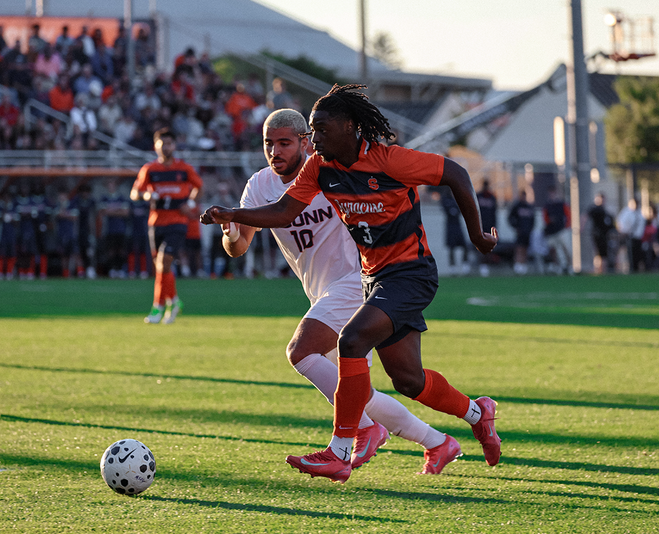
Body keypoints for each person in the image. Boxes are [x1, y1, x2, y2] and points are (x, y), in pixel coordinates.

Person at [201, 84, 501, 484]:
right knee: (408, 380)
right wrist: (231, 215)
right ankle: (477, 414)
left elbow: (456, 174)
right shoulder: (319, 169)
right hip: (372, 280)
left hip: (408, 273)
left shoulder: (389, 160)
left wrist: (478, 234)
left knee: (346, 344)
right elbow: (285, 211)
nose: (316, 140)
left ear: (348, 127)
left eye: (320, 131)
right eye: (312, 131)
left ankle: (342, 450)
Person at [131, 128, 202, 324]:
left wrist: (190, 204)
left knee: (164, 262)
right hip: (156, 222)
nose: (166, 147)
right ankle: (174, 301)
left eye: (169, 143)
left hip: (177, 222)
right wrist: (145, 195)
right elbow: (135, 192)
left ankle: (157, 307)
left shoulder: (184, 168)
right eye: (162, 144)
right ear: (156, 146)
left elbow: (199, 186)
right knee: (161, 267)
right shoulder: (150, 169)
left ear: (174, 146)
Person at [99, 179, 130, 278]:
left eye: (112, 185)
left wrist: (110, 211)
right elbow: (103, 212)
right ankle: (112, 269)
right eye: (109, 185)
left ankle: (120, 269)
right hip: (109, 229)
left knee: (121, 250)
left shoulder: (122, 198)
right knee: (110, 251)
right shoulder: (104, 198)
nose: (111, 187)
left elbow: (125, 213)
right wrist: (118, 210)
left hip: (121, 229)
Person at [543, 186, 572, 275]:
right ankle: (557, 266)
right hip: (552, 230)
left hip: (561, 229)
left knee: (565, 247)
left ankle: (569, 266)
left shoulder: (562, 204)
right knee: (554, 249)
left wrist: (566, 226)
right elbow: (545, 217)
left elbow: (568, 215)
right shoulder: (547, 206)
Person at [507, 189, 535, 275]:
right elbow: (510, 218)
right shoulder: (517, 206)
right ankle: (518, 264)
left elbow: (533, 220)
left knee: (525, 249)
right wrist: (516, 227)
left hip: (527, 232)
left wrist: (530, 229)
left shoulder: (529, 207)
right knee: (519, 248)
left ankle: (523, 265)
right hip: (520, 231)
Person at [587, 192, 614, 275]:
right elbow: (585, 216)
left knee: (604, 253)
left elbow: (611, 224)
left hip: (605, 235)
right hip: (597, 234)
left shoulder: (606, 211)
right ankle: (598, 270)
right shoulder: (595, 209)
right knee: (598, 252)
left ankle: (603, 270)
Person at [476, 179, 497, 276]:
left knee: (489, 245)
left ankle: (488, 264)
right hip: (480, 225)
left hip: (489, 226)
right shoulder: (478, 196)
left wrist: (494, 226)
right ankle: (482, 265)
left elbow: (494, 213)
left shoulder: (492, 197)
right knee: (481, 245)